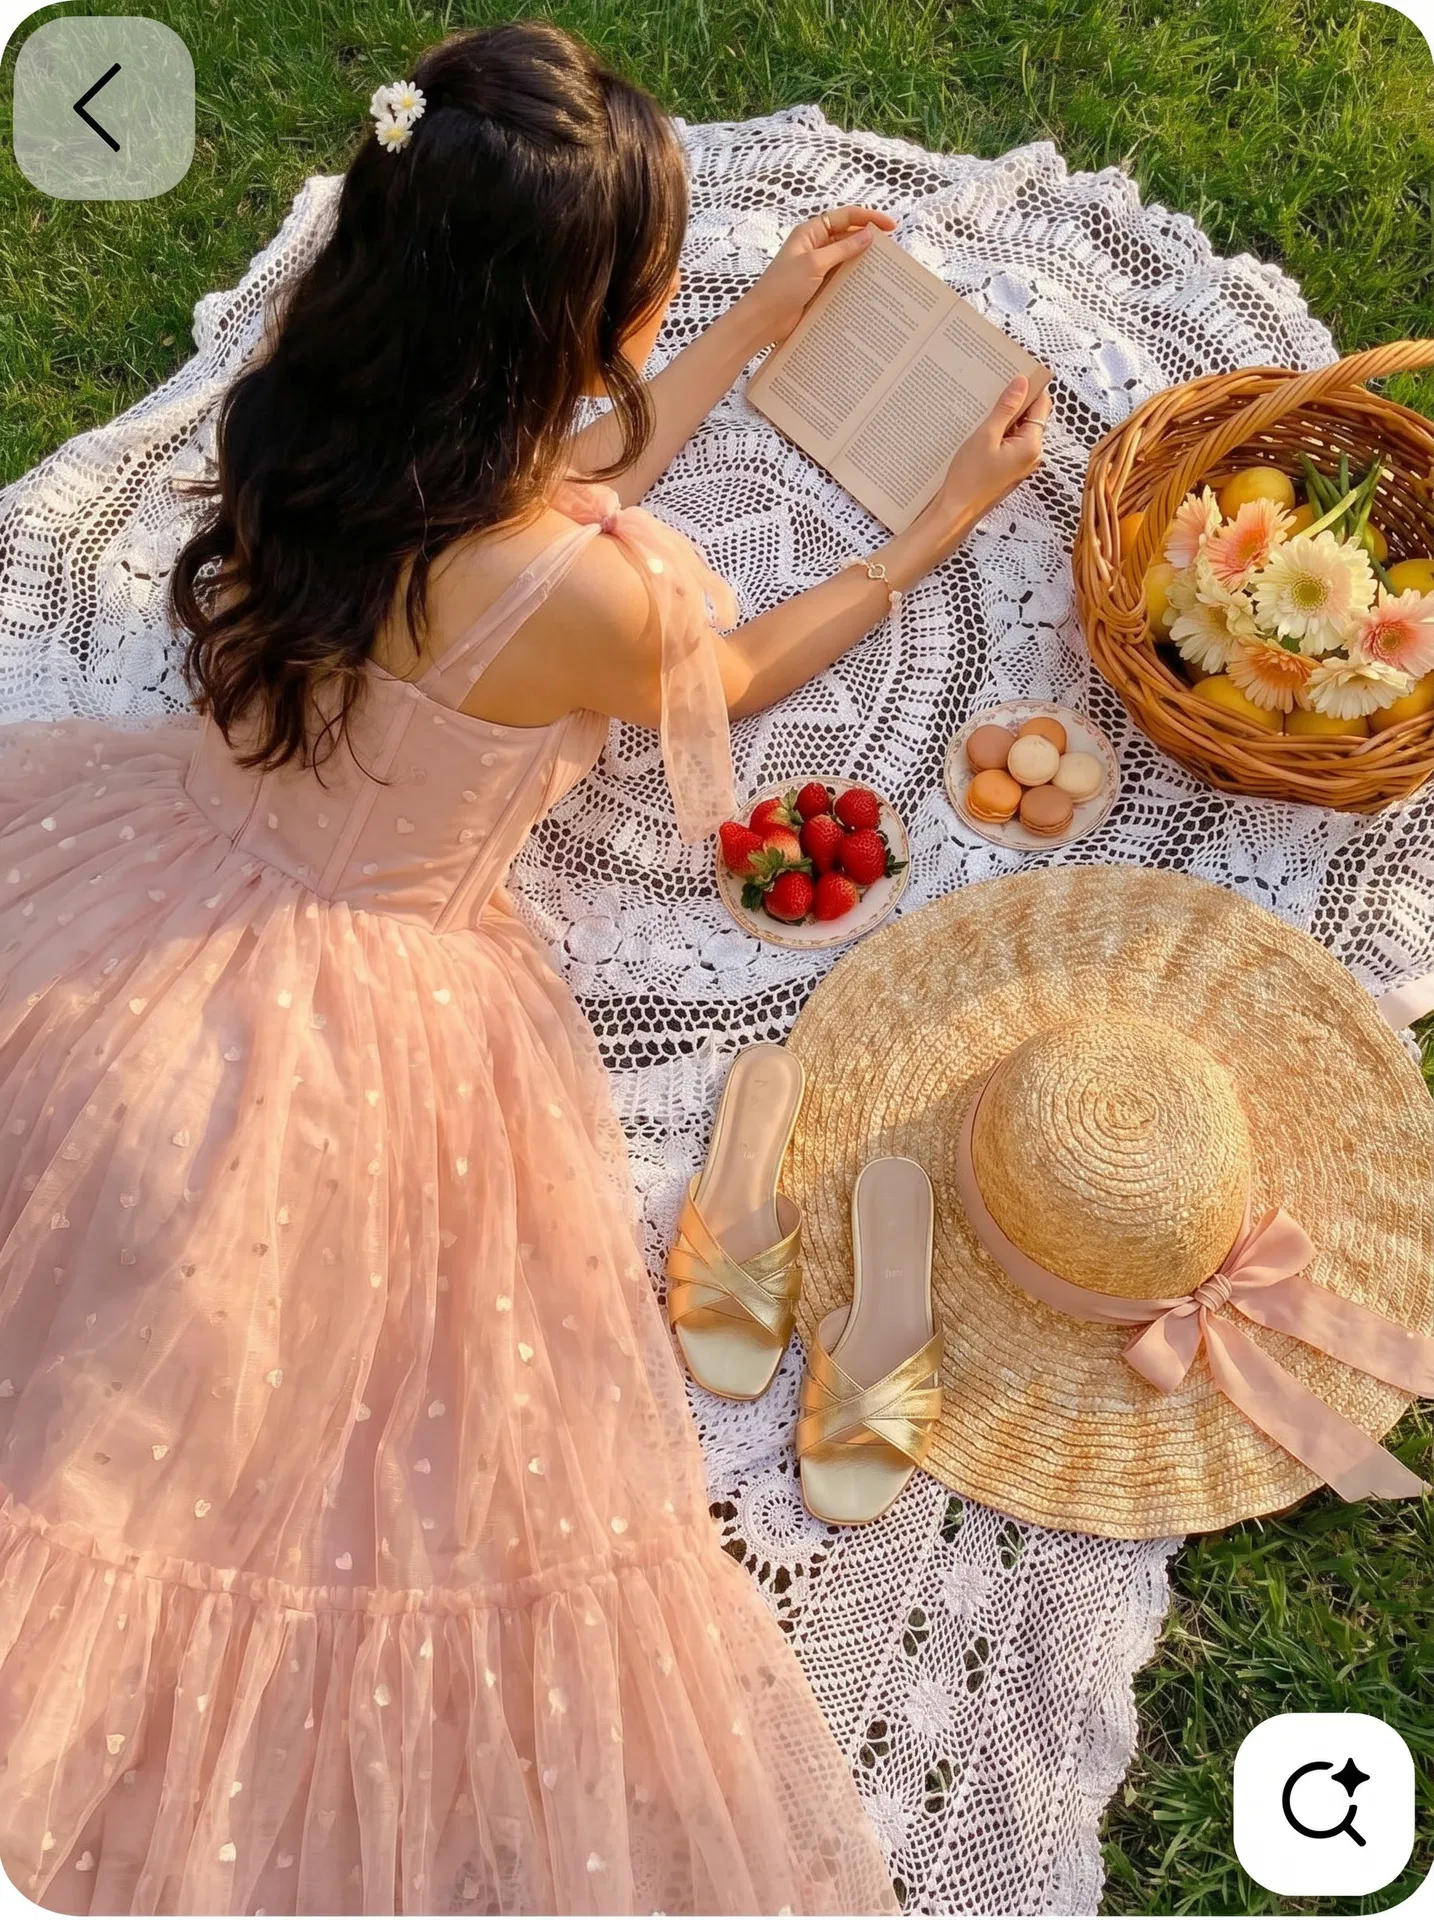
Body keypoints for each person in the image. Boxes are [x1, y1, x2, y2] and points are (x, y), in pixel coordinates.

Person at [0, 20, 1049, 1915]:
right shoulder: (593, 601)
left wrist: (730, 343)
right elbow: (718, 683)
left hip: (181, 862)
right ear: (570, 325)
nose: (662, 317)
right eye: (647, 299)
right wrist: (930, 536)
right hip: (364, 993)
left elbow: (543, 470)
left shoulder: (321, 402)